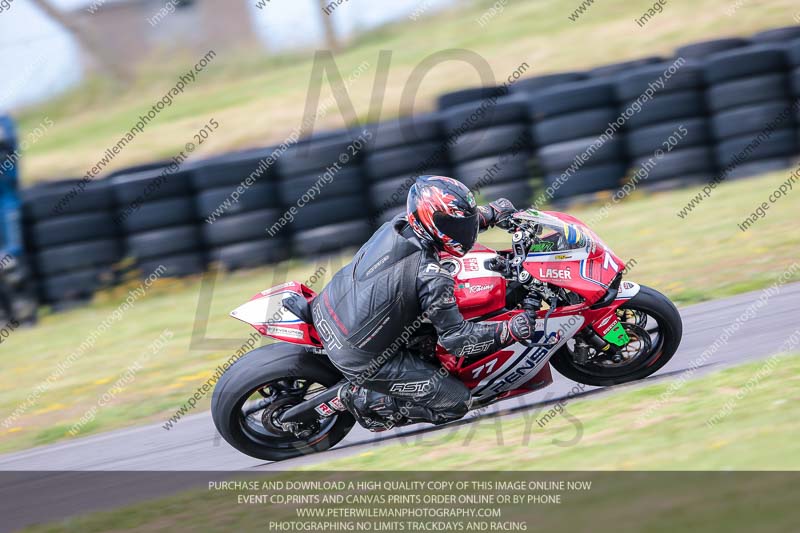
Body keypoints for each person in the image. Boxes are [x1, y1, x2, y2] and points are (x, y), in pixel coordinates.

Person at [311, 175, 540, 432]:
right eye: (454, 225)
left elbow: (452, 223)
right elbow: (456, 340)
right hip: (359, 355)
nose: (463, 232)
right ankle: (361, 397)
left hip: (331, 306)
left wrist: (490, 213)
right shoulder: (432, 277)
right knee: (456, 402)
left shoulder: (402, 224)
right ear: (431, 222)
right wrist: (509, 329)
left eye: (464, 224)